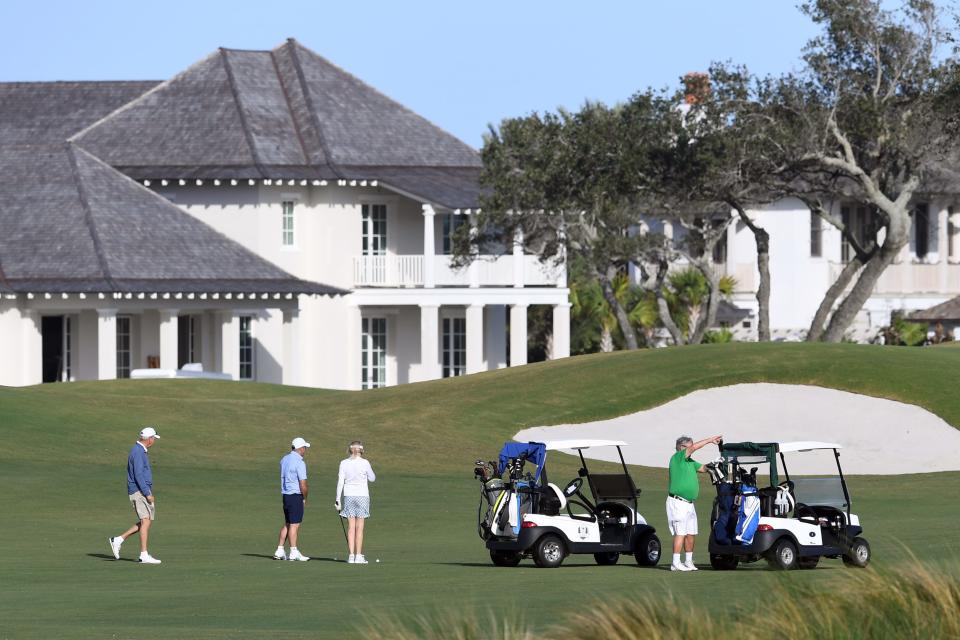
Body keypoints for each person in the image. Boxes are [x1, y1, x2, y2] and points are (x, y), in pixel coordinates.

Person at [666, 434, 722, 572]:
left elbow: (703, 469)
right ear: (681, 447)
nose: (692, 448)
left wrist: (715, 464)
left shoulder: (690, 462)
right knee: (680, 532)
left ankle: (688, 561)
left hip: (689, 504)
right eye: (689, 446)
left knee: (691, 533)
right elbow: (695, 448)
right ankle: (675, 563)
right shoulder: (677, 458)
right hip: (678, 502)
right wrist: (709, 440)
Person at [108, 427, 162, 564]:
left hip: (141, 490)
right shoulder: (138, 452)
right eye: (154, 438)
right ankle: (143, 554)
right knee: (145, 521)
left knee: (147, 521)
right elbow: (138, 475)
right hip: (139, 491)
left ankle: (118, 539)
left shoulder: (139, 450)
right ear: (149, 439)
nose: (154, 441)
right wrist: (147, 493)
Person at [335, 441, 376, 564]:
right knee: (360, 527)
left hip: (348, 496)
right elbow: (372, 478)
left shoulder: (344, 463)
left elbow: (340, 482)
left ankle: (351, 556)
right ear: (361, 450)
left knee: (351, 527)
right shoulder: (365, 463)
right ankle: (358, 556)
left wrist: (337, 499)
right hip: (362, 495)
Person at [274, 437, 311, 561]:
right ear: (300, 448)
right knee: (294, 525)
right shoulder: (300, 462)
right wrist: (305, 498)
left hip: (285, 496)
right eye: (304, 447)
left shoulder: (284, 459)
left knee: (288, 523)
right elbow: (303, 484)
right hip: (295, 495)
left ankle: (279, 550)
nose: (305, 450)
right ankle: (294, 551)